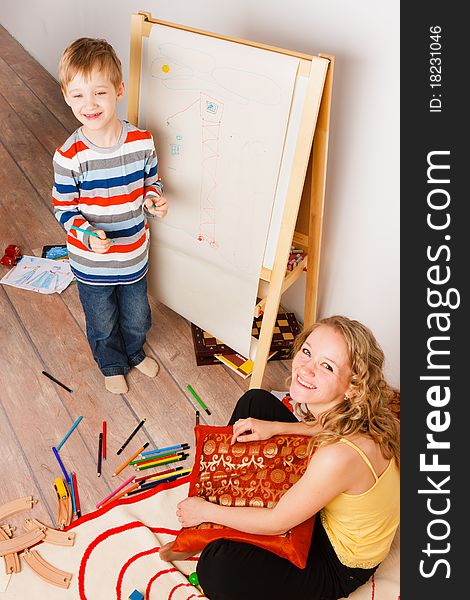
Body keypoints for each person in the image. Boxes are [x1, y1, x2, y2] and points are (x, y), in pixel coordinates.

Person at [160, 315, 400, 599]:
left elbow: (278, 522)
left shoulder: (338, 457)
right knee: (255, 403)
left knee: (217, 566)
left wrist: (205, 512)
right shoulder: (358, 413)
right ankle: (221, 514)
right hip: (324, 500)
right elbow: (331, 426)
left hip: (336, 561)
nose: (306, 368)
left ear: (353, 387)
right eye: (308, 352)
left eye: (327, 366)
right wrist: (275, 427)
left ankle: (213, 520)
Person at [52, 38, 168, 394]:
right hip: (91, 263)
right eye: (78, 96)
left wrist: (154, 199)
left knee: (138, 316)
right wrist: (87, 234)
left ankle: (133, 352)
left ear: (119, 90)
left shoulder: (141, 141)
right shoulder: (69, 156)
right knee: (102, 320)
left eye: (99, 93)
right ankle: (111, 361)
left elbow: (152, 182)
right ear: (66, 96)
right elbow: (64, 209)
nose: (90, 105)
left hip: (133, 254)